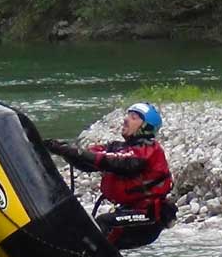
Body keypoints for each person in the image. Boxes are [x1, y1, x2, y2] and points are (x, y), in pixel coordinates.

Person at [44, 102, 176, 249]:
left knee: (104, 223)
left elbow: (118, 162)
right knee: (84, 225)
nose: (126, 120)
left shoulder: (149, 150)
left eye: (133, 117)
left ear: (146, 127)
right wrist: (62, 150)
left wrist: (75, 153)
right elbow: (88, 160)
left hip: (148, 219)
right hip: (128, 211)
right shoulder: (117, 147)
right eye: (127, 116)